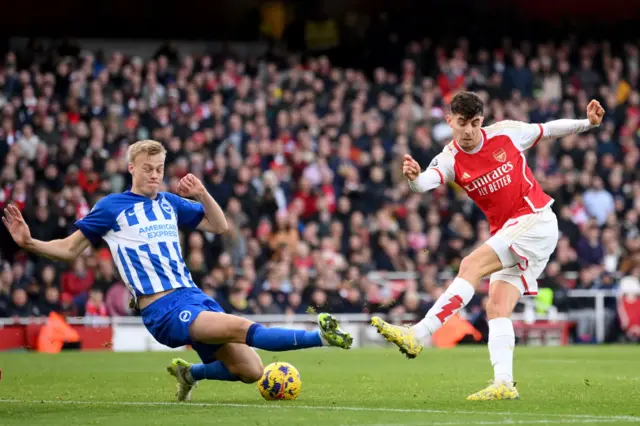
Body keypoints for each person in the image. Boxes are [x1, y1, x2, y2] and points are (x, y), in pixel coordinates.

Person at [3, 140, 353, 402]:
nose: (155, 174)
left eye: (159, 168)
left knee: (251, 371)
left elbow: (219, 226)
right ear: (132, 168)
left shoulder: (170, 203)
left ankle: (190, 373)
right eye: (148, 168)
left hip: (193, 296)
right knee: (242, 327)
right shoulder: (112, 207)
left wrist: (202, 194)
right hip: (162, 309)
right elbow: (68, 248)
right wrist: (30, 243)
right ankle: (321, 337)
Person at [371, 91, 605, 401]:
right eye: (462, 124)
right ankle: (504, 383)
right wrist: (414, 179)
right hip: (516, 233)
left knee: (470, 265)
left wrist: (586, 124)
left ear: (483, 120)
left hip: (535, 219)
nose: (468, 131)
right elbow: (427, 181)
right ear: (450, 121)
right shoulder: (450, 157)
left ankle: (418, 334)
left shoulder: (506, 133)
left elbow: (547, 129)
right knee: (496, 306)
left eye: (475, 123)